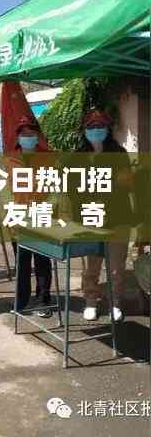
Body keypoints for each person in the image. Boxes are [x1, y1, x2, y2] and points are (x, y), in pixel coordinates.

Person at [73, 110, 134, 322]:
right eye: (91, 127)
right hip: (91, 217)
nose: (96, 131)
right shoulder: (78, 156)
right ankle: (90, 301)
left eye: (100, 127)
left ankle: (115, 303)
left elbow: (126, 183)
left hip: (118, 217)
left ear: (107, 129)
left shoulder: (119, 153)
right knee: (92, 265)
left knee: (116, 266)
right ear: (84, 131)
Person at [6, 115, 54, 318]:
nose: (28, 137)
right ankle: (21, 300)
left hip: (40, 211)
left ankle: (43, 300)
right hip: (18, 213)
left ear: (37, 136)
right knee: (22, 261)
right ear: (18, 137)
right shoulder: (10, 159)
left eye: (31, 133)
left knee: (42, 258)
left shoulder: (48, 157)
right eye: (23, 133)